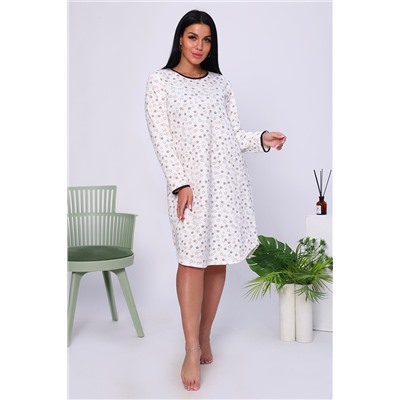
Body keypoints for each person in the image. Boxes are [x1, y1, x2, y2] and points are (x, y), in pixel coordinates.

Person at [145, 9, 286, 391]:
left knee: (216, 259)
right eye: (193, 37)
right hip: (190, 186)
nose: (200, 46)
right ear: (180, 39)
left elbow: (230, 135)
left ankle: (204, 334)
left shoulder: (220, 84)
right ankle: (191, 347)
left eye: (206, 39)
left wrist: (260, 139)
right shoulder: (160, 82)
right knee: (192, 260)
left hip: (225, 183)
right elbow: (161, 137)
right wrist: (180, 183)